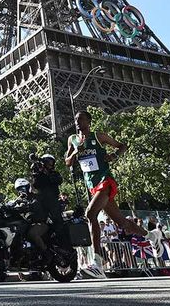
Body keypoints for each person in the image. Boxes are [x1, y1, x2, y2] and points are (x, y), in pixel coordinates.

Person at [65, 110, 146, 277]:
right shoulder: (72, 139)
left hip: (105, 181)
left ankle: (97, 262)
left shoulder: (98, 136)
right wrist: (75, 151)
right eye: (76, 120)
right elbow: (68, 163)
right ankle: (152, 236)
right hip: (92, 185)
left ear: (89, 121)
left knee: (90, 213)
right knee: (122, 223)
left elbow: (122, 145)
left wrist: (114, 156)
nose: (77, 122)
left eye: (81, 119)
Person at [32, 153, 72, 251]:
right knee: (36, 221)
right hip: (41, 203)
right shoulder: (39, 174)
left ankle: (65, 246)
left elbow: (57, 180)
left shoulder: (55, 174)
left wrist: (46, 172)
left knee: (59, 224)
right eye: (48, 162)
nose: (50, 164)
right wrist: (36, 171)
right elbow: (35, 185)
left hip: (53, 202)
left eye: (51, 162)